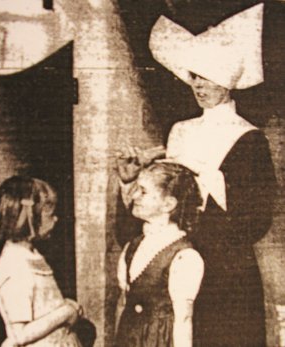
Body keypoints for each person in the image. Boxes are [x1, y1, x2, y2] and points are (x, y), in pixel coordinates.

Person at [117, 3, 277, 346]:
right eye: (194, 75)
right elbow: (158, 204)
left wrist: (206, 176)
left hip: (226, 274)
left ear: (229, 83)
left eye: (208, 77)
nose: (198, 85)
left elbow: (257, 219)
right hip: (172, 261)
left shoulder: (249, 138)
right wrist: (131, 180)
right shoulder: (180, 130)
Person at [115, 161, 204, 347]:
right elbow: (123, 304)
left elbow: (184, 319)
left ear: (168, 204)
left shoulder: (183, 256)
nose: (135, 196)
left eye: (143, 191)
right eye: (136, 189)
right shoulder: (133, 246)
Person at [0, 176, 83, 347]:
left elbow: (42, 303)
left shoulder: (30, 254)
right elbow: (19, 334)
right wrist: (65, 312)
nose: (56, 219)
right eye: (51, 214)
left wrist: (63, 304)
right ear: (30, 219)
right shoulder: (14, 266)